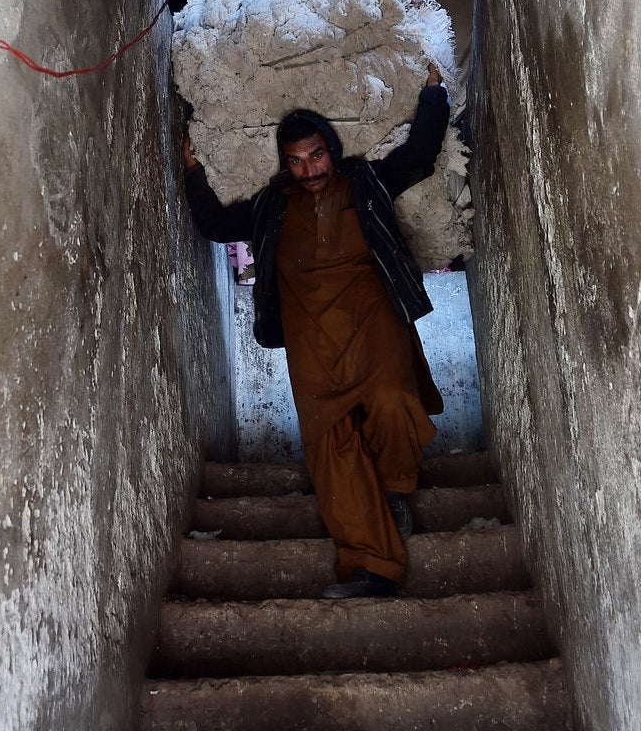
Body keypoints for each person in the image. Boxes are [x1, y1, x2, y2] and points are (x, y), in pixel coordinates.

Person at [182, 64, 450, 598]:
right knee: (331, 445)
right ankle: (372, 566)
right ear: (285, 166)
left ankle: (396, 490)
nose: (309, 170)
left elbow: (418, 157)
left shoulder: (366, 184)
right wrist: (190, 169)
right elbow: (214, 225)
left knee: (395, 399)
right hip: (310, 340)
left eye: (317, 156)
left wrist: (433, 94)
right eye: (297, 162)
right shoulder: (270, 209)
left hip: (373, 320)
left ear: (332, 148)